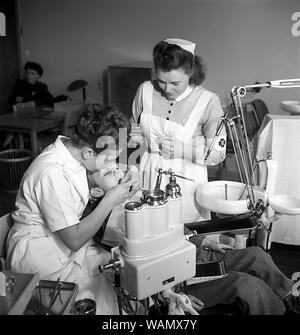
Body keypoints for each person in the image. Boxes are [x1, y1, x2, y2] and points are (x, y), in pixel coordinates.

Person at [83, 165, 300, 315]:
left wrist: (204, 242)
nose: (115, 169)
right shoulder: (109, 222)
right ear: (95, 191)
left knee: (256, 256)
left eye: (116, 167)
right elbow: (140, 269)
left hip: (192, 256)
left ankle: (292, 298)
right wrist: (172, 295)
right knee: (247, 285)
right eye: (107, 172)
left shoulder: (138, 200)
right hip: (176, 281)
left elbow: (173, 228)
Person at [6, 103, 140, 315]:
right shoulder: (52, 173)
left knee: (117, 274)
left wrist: (128, 171)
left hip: (68, 246)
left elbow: (85, 179)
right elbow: (74, 239)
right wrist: (110, 200)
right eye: (111, 158)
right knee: (100, 294)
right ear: (88, 152)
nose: (114, 163)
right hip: (42, 256)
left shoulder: (74, 151)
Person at [130, 38, 227, 224]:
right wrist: (131, 164)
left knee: (184, 239)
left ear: (190, 72)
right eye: (161, 81)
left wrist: (184, 150)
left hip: (185, 183)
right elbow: (129, 133)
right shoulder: (145, 90)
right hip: (147, 175)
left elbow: (218, 155)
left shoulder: (208, 102)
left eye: (175, 83)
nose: (167, 89)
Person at [3, 61, 54, 148]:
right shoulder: (20, 84)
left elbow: (49, 100)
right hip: (20, 117)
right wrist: (30, 101)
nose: (29, 76)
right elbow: (11, 100)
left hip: (36, 118)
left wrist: (25, 100)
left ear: (38, 75)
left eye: (32, 73)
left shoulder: (41, 86)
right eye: (27, 73)